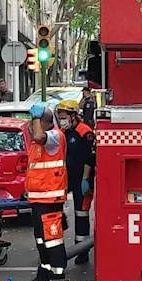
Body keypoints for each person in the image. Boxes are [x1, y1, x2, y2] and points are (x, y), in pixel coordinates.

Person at [26, 101, 68, 281]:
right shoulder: (38, 145)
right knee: (42, 240)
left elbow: (37, 135)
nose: (31, 123)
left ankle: (57, 278)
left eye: (34, 120)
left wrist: (37, 116)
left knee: (53, 241)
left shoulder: (54, 137)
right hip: (38, 200)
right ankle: (43, 276)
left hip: (50, 200)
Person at [56, 99, 96, 265]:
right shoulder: (62, 132)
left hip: (82, 179)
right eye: (60, 116)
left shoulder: (84, 132)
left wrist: (86, 179)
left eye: (64, 116)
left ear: (73, 115)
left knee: (81, 214)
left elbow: (89, 157)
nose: (61, 119)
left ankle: (82, 250)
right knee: (57, 212)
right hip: (66, 178)